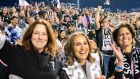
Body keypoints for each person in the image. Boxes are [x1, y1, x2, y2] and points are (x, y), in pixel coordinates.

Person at [0, 20, 66, 79]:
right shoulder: (15, 52)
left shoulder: (53, 60)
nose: (40, 37)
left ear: (48, 38)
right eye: (36, 33)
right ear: (30, 35)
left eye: (44, 34)